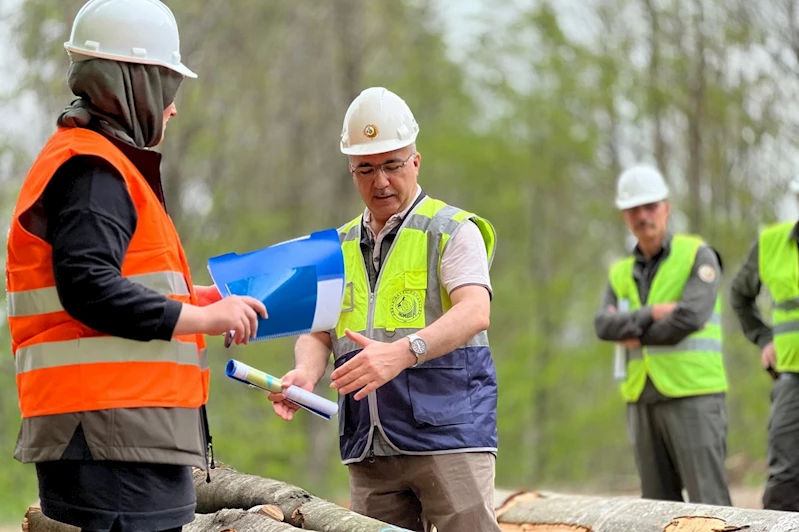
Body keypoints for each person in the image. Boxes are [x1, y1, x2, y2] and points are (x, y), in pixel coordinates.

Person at [5, 1, 266, 531]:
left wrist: (197, 299)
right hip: (107, 439)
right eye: (167, 92)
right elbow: (89, 289)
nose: (171, 109)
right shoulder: (94, 170)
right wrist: (205, 321)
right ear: (136, 86)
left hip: (118, 437)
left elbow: (116, 283)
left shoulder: (99, 163)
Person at [268, 87, 501, 532]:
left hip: (449, 437)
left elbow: (475, 312)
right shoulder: (334, 248)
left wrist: (402, 351)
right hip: (370, 445)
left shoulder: (451, 230)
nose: (380, 181)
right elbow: (318, 332)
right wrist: (304, 374)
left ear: (415, 161)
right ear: (351, 171)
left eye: (392, 165)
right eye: (366, 169)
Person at [593, 165, 732, 506]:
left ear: (666, 207)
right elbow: (603, 326)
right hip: (641, 397)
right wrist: (652, 313)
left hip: (694, 394)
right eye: (634, 209)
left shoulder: (698, 255)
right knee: (655, 508)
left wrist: (636, 333)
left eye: (650, 206)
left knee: (709, 505)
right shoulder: (619, 270)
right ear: (624, 214)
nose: (643, 216)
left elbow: (691, 316)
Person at [730, 211, 799, 512]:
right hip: (792, 377)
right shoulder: (772, 243)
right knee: (785, 477)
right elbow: (739, 294)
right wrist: (763, 337)